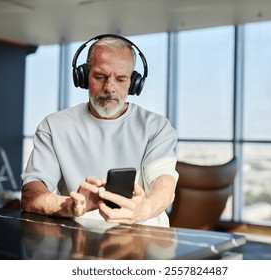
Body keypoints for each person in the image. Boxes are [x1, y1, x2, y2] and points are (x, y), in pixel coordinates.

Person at [20, 34, 179, 227]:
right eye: (100, 76)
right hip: (79, 241)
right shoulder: (54, 126)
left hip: (146, 241)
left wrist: (143, 209)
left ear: (134, 83)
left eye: (121, 79)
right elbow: (32, 194)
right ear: (84, 77)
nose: (109, 87)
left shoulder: (156, 127)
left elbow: (164, 186)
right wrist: (70, 205)